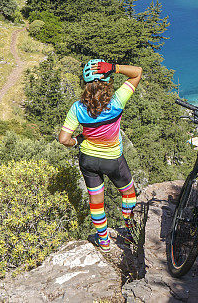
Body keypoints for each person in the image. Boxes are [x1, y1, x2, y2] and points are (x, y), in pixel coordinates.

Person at [58, 59, 142, 253]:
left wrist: (77, 141)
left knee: (96, 200)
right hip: (113, 160)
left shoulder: (77, 108)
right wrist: (114, 68)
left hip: (88, 160)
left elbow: (63, 139)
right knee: (128, 194)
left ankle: (103, 242)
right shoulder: (117, 102)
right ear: (107, 82)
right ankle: (130, 233)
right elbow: (137, 72)